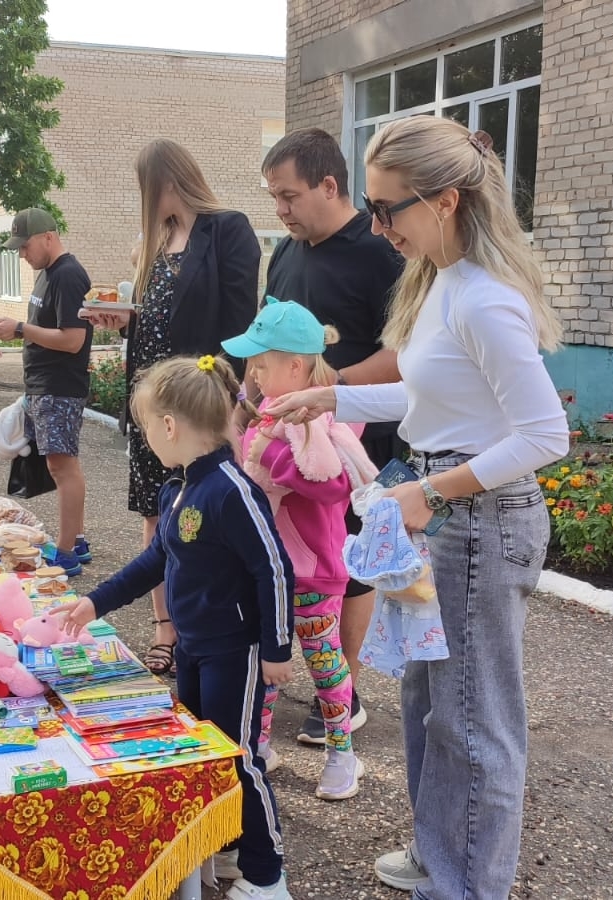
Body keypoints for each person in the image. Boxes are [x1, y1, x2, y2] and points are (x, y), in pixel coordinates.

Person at [268, 116, 568, 900]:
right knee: (430, 707)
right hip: (434, 511)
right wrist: (329, 394)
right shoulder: (440, 283)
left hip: (472, 518)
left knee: (474, 722)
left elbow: (545, 434)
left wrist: (430, 491)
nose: (377, 226)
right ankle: (440, 853)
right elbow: (423, 392)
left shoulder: (484, 299)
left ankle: (467, 882)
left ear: (446, 200)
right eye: (371, 206)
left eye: (388, 208)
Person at [53, 354, 295, 900]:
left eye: (144, 427)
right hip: (195, 648)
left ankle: (266, 872)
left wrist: (278, 646)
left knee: (238, 756)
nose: (145, 438)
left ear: (169, 426)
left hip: (238, 649)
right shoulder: (178, 488)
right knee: (203, 752)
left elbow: (275, 569)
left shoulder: (232, 489)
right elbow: (154, 561)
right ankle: (227, 841)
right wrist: (94, 603)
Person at [82, 139, 261, 677]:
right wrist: (123, 320)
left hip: (196, 402)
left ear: (166, 180)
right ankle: (167, 630)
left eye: (145, 185)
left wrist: (229, 403)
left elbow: (238, 324)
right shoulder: (157, 243)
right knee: (155, 512)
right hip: (150, 403)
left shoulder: (227, 228)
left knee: (206, 515)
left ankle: (212, 627)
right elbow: (157, 317)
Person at [260, 127, 406, 744]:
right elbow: (264, 338)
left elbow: (405, 352)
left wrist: (331, 390)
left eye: (290, 195)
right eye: (274, 197)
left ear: (329, 184)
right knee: (298, 549)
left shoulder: (380, 252)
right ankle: (316, 676)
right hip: (286, 434)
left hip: (358, 437)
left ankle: (342, 694)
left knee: (346, 559)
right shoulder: (286, 255)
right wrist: (253, 402)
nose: (282, 209)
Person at [224, 299, 374, 801]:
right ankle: (260, 744)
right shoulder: (269, 414)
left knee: (324, 662)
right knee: (265, 657)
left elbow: (330, 484)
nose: (256, 375)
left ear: (296, 366)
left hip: (311, 571)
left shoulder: (321, 420)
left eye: (263, 366)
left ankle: (341, 754)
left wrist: (270, 455)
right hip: (268, 570)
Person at [0, 208, 92, 576]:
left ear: (48, 237)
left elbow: (72, 339)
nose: (22, 254)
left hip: (60, 388)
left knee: (63, 467)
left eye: (25, 246)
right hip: (44, 386)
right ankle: (75, 540)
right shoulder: (49, 273)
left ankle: (67, 552)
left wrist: (20, 328)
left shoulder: (67, 275)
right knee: (60, 465)